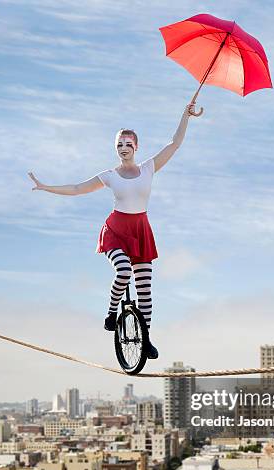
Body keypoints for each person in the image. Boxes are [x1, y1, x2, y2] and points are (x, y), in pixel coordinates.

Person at [28, 103, 198, 359]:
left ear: (136, 147)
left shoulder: (149, 168)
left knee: (145, 290)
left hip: (140, 230)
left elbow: (174, 143)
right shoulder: (110, 176)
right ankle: (111, 312)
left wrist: (185, 115)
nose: (124, 148)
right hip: (116, 231)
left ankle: (146, 338)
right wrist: (45, 187)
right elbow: (76, 188)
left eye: (128, 143)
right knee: (123, 270)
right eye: (119, 144)